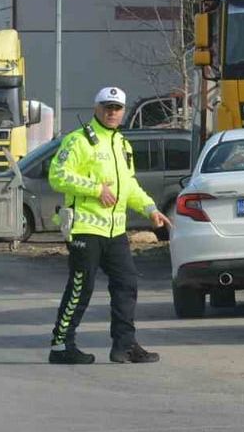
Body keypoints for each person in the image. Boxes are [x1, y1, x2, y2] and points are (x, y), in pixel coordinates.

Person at [47, 86, 173, 364]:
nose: (112, 112)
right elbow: (57, 175)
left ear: (124, 111)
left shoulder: (122, 144)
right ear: (96, 108)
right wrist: (94, 189)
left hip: (115, 231)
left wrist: (150, 208)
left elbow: (128, 185)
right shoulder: (79, 141)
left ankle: (124, 346)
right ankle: (60, 346)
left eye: (117, 108)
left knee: (126, 284)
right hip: (85, 229)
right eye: (107, 107)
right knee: (81, 287)